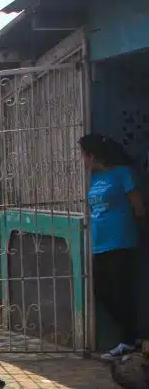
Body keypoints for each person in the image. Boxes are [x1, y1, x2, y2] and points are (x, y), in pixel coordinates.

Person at [80, 134, 146, 359]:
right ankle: (132, 337)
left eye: (83, 155)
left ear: (92, 155)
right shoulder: (94, 177)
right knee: (101, 292)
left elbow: (138, 207)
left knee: (121, 292)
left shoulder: (123, 173)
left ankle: (128, 340)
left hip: (120, 241)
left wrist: (136, 228)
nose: (82, 160)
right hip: (99, 243)